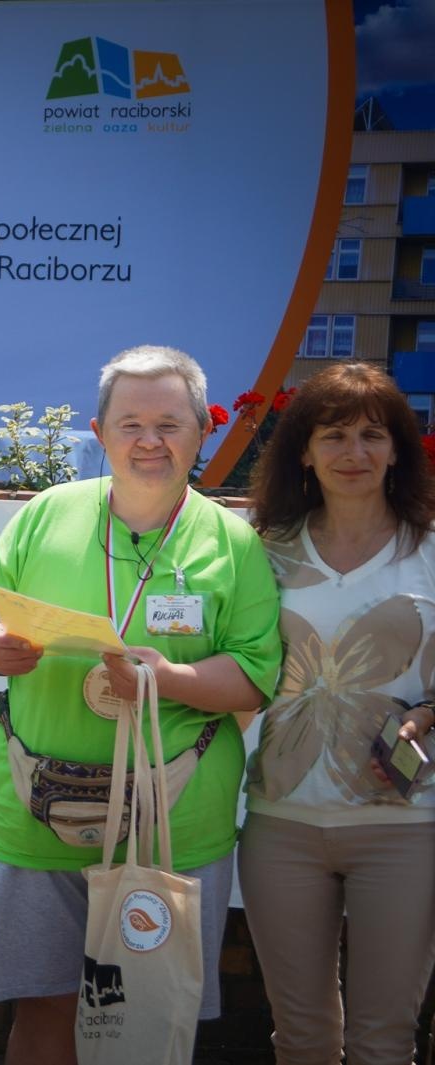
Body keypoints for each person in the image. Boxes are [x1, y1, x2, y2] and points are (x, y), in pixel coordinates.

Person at [0, 345, 282, 1065]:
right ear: (100, 433)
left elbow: (256, 676)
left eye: (169, 423)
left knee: (146, 1017)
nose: (148, 440)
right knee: (41, 1008)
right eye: (130, 422)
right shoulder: (47, 513)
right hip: (34, 811)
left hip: (171, 827)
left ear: (201, 433)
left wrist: (170, 678)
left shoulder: (233, 542)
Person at [241, 363, 435, 1065]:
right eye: (335, 436)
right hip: (281, 823)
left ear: (396, 450)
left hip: (404, 825)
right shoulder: (262, 552)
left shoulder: (431, 551)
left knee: (384, 1043)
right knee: (301, 1040)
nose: (354, 453)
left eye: (372, 436)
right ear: (304, 450)